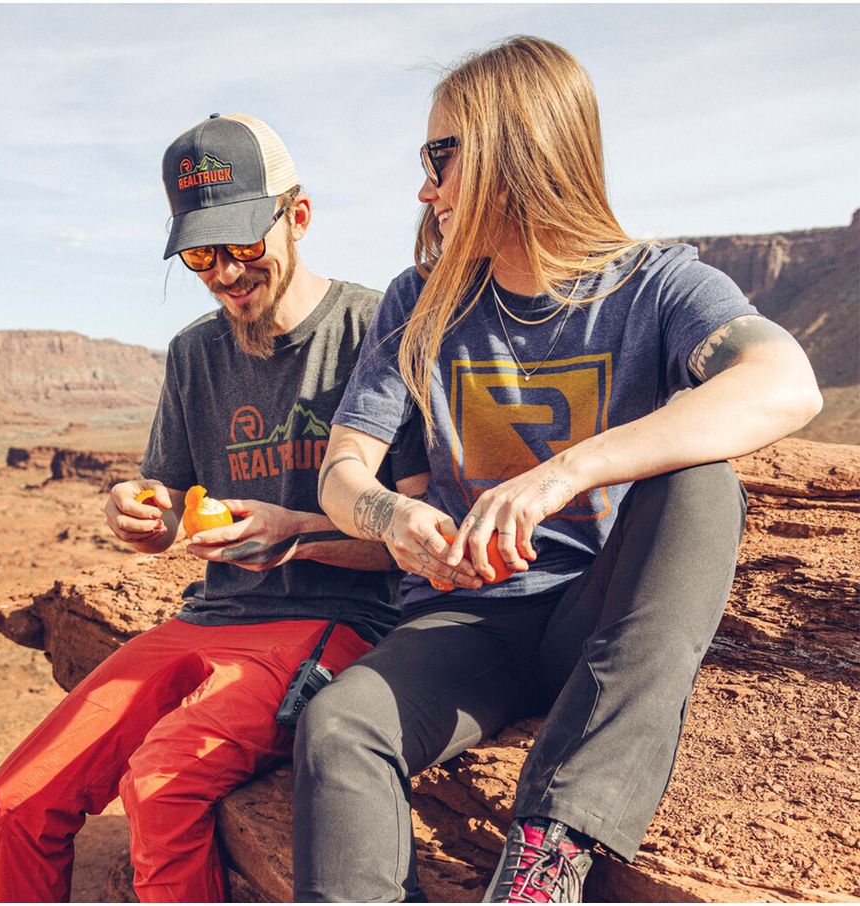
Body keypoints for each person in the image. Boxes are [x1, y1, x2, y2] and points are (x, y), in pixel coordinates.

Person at [296, 36, 822, 903]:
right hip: (468, 622)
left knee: (700, 482)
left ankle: (547, 860)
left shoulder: (656, 285)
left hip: (599, 615)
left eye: (439, 157)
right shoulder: (419, 301)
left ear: (515, 148)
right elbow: (342, 471)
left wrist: (563, 474)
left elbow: (785, 381)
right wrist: (391, 517)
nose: (425, 188)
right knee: (338, 726)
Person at [0, 113, 426, 902]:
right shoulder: (195, 353)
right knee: (19, 796)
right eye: (200, 254)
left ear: (297, 216)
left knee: (160, 784)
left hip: (336, 621)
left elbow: (415, 537)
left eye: (242, 244)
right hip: (211, 615)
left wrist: (294, 539)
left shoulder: (374, 329)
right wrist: (136, 512)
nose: (224, 273)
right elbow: (166, 512)